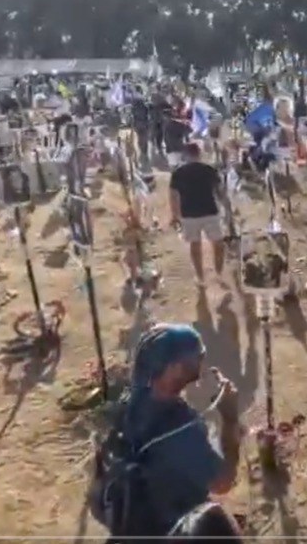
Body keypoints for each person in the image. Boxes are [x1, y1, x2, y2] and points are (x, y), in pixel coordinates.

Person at [126, 324, 242, 535]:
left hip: (132, 523)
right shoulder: (180, 429)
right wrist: (230, 418)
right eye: (199, 356)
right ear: (176, 368)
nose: (202, 361)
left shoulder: (131, 403)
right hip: (173, 529)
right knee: (217, 523)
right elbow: (223, 482)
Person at [170, 143, 229, 277]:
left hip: (189, 214)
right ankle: (218, 272)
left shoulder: (178, 173)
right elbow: (220, 192)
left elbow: (173, 195)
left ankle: (200, 275)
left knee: (195, 245)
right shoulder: (209, 170)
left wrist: (175, 216)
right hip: (210, 211)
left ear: (185, 155)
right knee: (218, 244)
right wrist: (227, 209)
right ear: (199, 154)